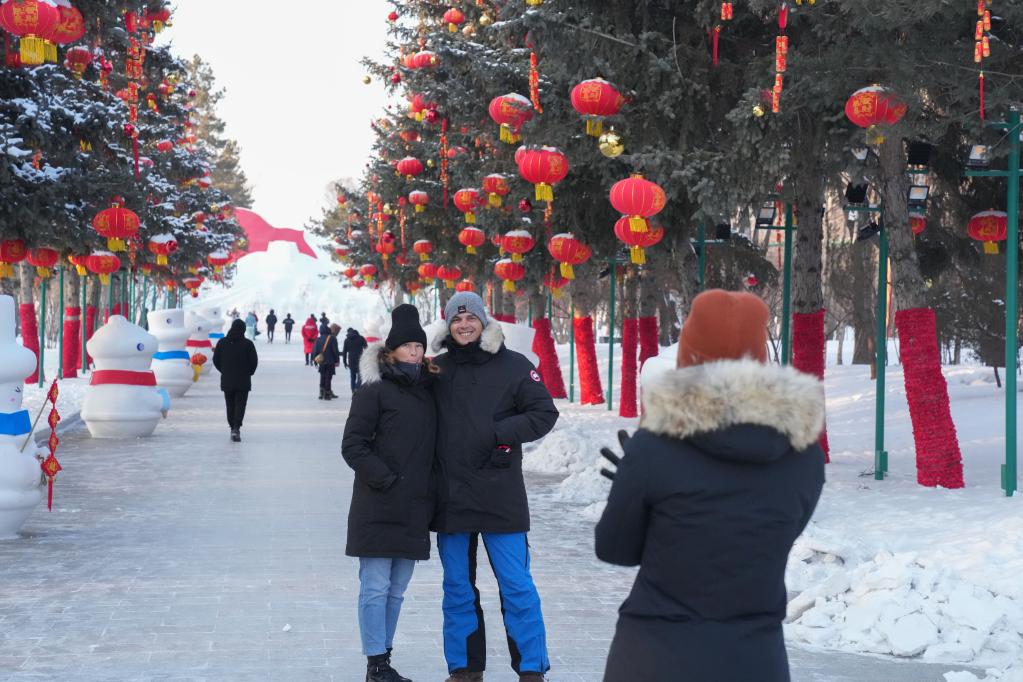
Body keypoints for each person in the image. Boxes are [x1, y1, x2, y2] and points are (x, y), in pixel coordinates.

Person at [595, 290, 826, 682]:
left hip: (653, 656)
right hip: (756, 659)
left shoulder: (654, 449)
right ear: (760, 358)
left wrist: (635, 488)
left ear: (689, 356)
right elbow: (766, 537)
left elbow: (616, 549)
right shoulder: (804, 456)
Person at [431, 292, 559, 682]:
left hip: (500, 493)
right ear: (448, 325)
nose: (464, 324)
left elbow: (543, 413)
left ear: (484, 322)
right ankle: (465, 668)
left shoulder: (514, 365)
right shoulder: (436, 370)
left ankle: (532, 667)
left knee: (516, 584)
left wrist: (499, 433)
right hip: (451, 497)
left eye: (471, 317)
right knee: (456, 587)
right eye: (456, 319)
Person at [342, 304, 438, 682]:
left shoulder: (429, 389)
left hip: (415, 505)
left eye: (419, 345)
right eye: (408, 345)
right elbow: (353, 444)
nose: (415, 351)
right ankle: (375, 663)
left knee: (396, 591)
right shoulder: (374, 389)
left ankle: (385, 656)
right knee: (375, 587)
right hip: (378, 502)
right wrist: (385, 480)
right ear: (391, 349)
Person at [212, 318, 259, 442]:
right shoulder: (248, 344)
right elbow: (254, 362)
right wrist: (249, 372)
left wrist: (224, 370)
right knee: (240, 405)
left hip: (227, 380)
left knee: (230, 404)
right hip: (243, 381)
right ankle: (236, 427)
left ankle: (232, 426)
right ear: (243, 330)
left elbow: (216, 360)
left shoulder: (222, 343)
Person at [312, 323, 341, 400]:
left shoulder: (318, 339)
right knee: (328, 377)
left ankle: (321, 393)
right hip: (330, 361)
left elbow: (314, 351)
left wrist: (314, 361)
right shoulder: (332, 338)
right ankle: (327, 394)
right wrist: (337, 360)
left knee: (322, 376)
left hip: (322, 362)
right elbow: (335, 351)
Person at [342, 327, 368, 392]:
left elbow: (344, 352)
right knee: (360, 376)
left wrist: (344, 362)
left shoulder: (347, 340)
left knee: (352, 377)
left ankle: (353, 390)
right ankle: (357, 387)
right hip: (360, 359)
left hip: (351, 360)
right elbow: (367, 348)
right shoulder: (361, 338)